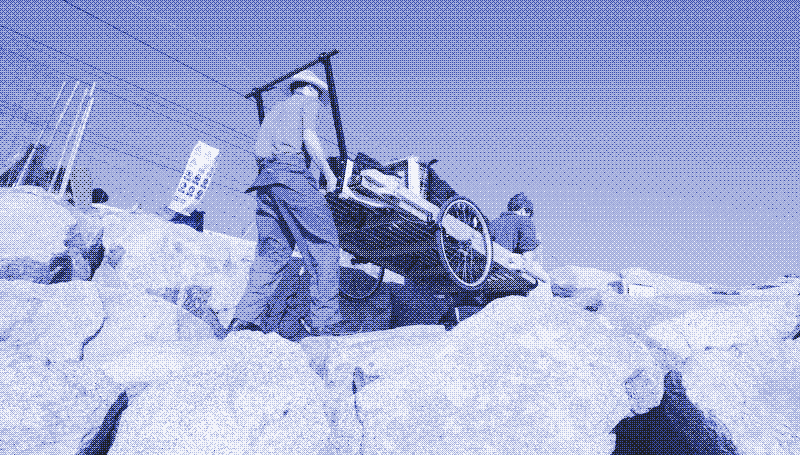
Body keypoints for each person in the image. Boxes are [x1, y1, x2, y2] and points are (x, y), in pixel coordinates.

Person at [228, 70, 342, 339]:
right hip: (293, 176)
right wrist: (328, 173)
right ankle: (324, 324)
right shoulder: (308, 103)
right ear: (313, 90)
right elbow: (309, 137)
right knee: (323, 245)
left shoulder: (275, 110)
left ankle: (244, 320)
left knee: (272, 253)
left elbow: (260, 150)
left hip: (266, 182)